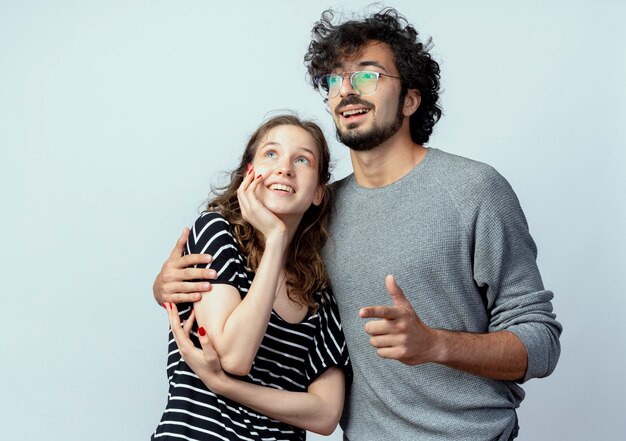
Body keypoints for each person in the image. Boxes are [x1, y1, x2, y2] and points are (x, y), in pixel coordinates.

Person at [153, 8, 562, 441]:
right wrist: (164, 287)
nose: (347, 90)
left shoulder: (474, 190)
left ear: (410, 99)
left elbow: (541, 342)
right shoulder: (316, 215)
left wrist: (435, 345)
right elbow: (256, 280)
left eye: (368, 75)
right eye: (335, 80)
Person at [152, 114, 351, 440]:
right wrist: (275, 240)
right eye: (271, 154)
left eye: (302, 160)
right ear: (249, 173)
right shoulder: (215, 233)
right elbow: (233, 355)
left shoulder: (320, 292)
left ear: (317, 192)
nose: (284, 167)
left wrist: (224, 386)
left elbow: (326, 414)